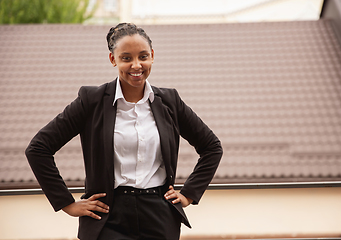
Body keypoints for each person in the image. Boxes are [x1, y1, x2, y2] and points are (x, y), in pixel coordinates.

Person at [25, 23, 223, 240]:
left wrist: (188, 194)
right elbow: (38, 149)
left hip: (159, 215)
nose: (136, 65)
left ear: (152, 56)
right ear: (113, 59)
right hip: (108, 217)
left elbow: (211, 147)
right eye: (126, 58)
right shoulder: (91, 101)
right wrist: (67, 203)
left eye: (143, 56)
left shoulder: (170, 101)